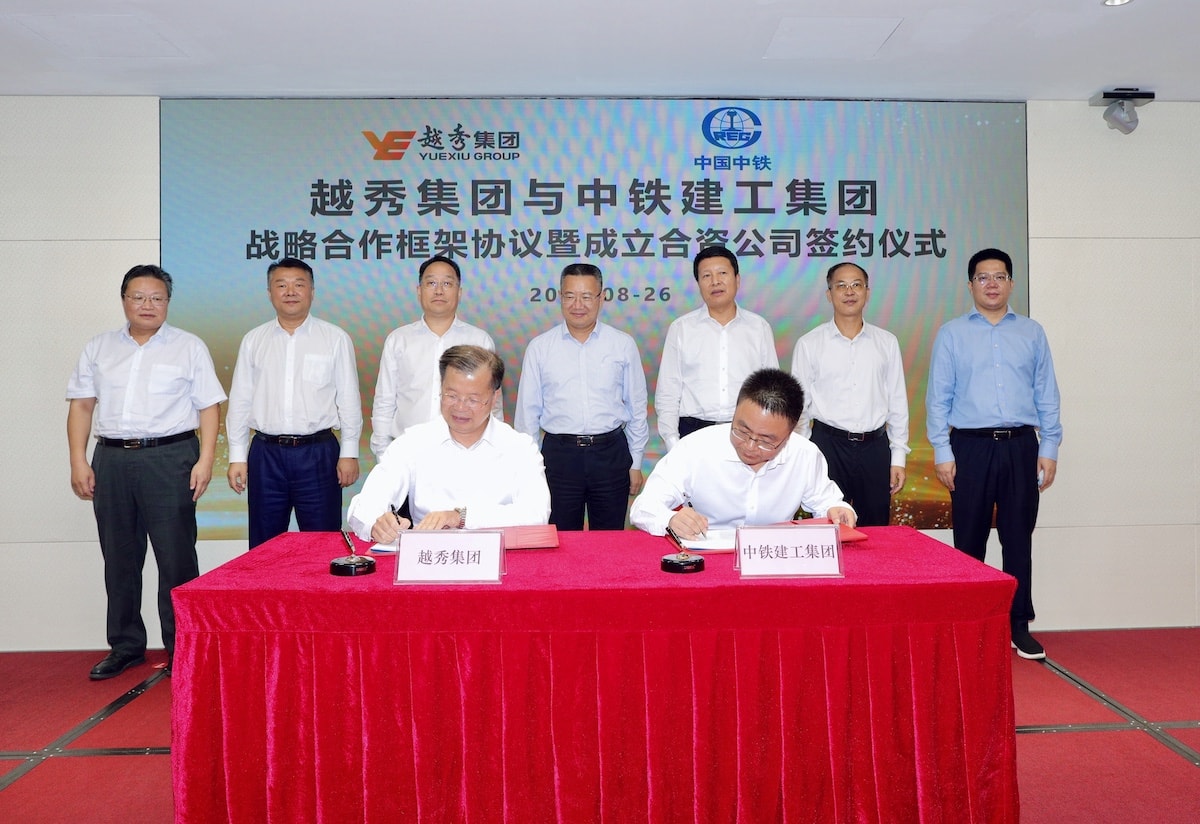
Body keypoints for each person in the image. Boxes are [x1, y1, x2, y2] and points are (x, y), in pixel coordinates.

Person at [67, 264, 226, 680]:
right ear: (124, 300)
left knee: (176, 559)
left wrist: (205, 460)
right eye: (138, 297)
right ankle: (125, 646)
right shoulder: (99, 347)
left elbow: (209, 406)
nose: (147, 305)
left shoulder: (188, 347)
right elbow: (82, 405)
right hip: (112, 459)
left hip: (170, 458)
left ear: (168, 302)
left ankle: (183, 649)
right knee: (120, 558)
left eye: (157, 298)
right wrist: (79, 460)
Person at [926, 248, 1062, 660]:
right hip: (970, 447)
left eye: (999, 277)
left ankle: (1018, 624)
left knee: (1018, 539)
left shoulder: (1032, 333)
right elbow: (938, 397)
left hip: (1022, 446)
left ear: (1011, 284)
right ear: (970, 285)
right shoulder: (952, 334)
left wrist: (1049, 445)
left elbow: (1047, 393)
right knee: (969, 541)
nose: (991, 284)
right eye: (983, 277)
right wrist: (942, 450)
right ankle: (970, 626)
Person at [225, 258, 362, 548]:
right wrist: (237, 456)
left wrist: (349, 452)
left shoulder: (335, 338)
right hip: (266, 454)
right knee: (264, 545)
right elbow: (240, 400)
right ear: (269, 293)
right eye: (281, 285)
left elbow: (349, 399)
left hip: (318, 453)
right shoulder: (254, 340)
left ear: (312, 291)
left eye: (299, 285)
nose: (290, 292)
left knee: (322, 544)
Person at [348, 345, 550, 541]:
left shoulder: (519, 448)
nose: (460, 407)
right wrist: (376, 524)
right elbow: (365, 505)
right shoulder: (413, 443)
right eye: (451, 395)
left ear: (495, 397)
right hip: (429, 554)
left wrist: (460, 518)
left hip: (500, 555)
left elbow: (536, 514)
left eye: (472, 399)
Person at [630, 369, 855, 537]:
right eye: (742, 431)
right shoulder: (695, 448)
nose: (749, 446)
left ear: (789, 434)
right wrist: (670, 519)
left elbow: (828, 503)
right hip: (708, 554)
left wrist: (838, 511)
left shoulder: (805, 454)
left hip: (774, 556)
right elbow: (643, 507)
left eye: (766, 441)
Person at [514, 262, 649, 531]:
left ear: (601, 297)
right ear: (560, 297)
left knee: (609, 540)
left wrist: (635, 462)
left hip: (610, 454)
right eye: (570, 296)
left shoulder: (622, 344)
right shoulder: (540, 348)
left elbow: (637, 407)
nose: (578, 305)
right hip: (559, 457)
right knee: (560, 539)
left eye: (587, 296)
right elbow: (527, 415)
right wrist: (529, 469)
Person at [790, 261, 909, 526]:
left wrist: (898, 457)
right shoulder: (809, 344)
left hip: (875, 448)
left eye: (857, 285)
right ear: (829, 294)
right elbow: (800, 408)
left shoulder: (886, 342)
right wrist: (805, 457)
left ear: (867, 292)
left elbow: (897, 403)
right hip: (828, 447)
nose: (849, 291)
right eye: (841, 285)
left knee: (876, 530)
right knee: (828, 527)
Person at [369, 255, 500, 460]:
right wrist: (383, 455)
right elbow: (384, 402)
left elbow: (492, 405)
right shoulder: (398, 340)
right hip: (407, 453)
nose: (439, 290)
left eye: (447, 283)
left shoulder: (479, 341)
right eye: (431, 283)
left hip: (465, 455)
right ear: (419, 291)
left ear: (459, 292)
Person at [655, 245, 779, 450]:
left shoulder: (759, 328)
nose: (715, 281)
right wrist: (672, 442)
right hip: (693, 433)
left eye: (722, 273)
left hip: (747, 432)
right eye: (706, 276)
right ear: (698, 284)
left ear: (737, 280)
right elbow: (668, 392)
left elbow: (771, 389)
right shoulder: (681, 328)